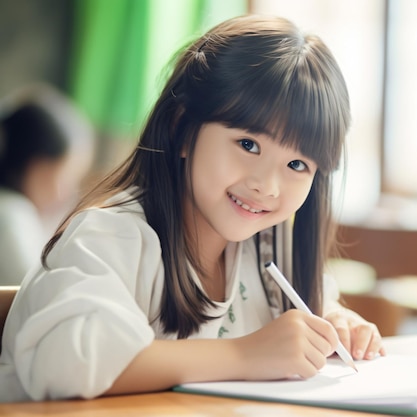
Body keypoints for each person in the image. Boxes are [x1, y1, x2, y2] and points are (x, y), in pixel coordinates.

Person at [0, 14, 384, 402]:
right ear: (182, 129)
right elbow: (68, 364)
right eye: (248, 144)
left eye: (297, 165)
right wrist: (244, 354)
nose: (266, 186)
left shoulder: (268, 251)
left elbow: (313, 309)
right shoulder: (110, 234)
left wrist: (336, 320)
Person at [0, 84, 94, 285]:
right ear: (36, 169)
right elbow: (40, 291)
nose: (69, 193)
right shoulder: (11, 215)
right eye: (65, 177)